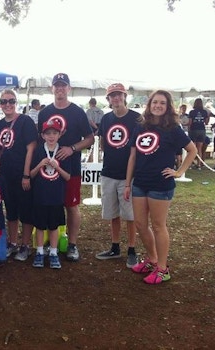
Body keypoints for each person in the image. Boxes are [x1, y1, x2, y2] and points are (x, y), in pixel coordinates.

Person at [124, 90, 197, 284]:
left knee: (158, 226)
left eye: (162, 103)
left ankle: (163, 268)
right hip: (140, 182)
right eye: (155, 102)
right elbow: (133, 156)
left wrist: (179, 171)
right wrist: (127, 183)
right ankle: (152, 260)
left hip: (160, 185)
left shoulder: (173, 128)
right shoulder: (140, 126)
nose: (158, 105)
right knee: (140, 224)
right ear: (149, 105)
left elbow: (192, 150)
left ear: (167, 107)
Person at [37, 73, 94, 262]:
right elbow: (40, 140)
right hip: (47, 170)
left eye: (63, 85)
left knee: (71, 205)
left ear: (69, 88)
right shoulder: (44, 113)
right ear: (52, 88)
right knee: (47, 204)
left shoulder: (77, 112)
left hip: (70, 168)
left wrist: (72, 148)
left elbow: (90, 138)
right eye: (57, 85)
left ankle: (72, 244)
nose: (60, 89)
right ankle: (47, 242)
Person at [95, 83, 141, 268]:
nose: (116, 98)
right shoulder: (106, 119)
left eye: (119, 95)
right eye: (112, 95)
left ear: (124, 96)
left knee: (129, 214)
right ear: (108, 99)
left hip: (128, 175)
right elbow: (103, 143)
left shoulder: (137, 118)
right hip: (109, 172)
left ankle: (131, 249)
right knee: (113, 213)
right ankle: (115, 246)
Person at [0, 89, 37, 261]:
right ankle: (12, 242)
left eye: (11, 101)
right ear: (0, 104)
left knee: (26, 210)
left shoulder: (25, 121)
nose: (8, 105)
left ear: (16, 103)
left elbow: (31, 148)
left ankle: (25, 245)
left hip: (22, 174)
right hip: (5, 175)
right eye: (4, 102)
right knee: (10, 210)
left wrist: (26, 175)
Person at [30, 120, 71, 269]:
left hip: (56, 197)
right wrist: (40, 164)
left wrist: (57, 168)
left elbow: (67, 177)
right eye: (48, 133)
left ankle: (53, 253)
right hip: (40, 196)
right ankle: (40, 252)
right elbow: (31, 174)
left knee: (54, 226)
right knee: (40, 226)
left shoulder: (62, 152)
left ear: (59, 135)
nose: (51, 136)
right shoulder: (39, 151)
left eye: (55, 133)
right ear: (43, 135)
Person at [188, 98, 210, 169]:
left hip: (193, 130)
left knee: (192, 148)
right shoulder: (204, 112)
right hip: (202, 130)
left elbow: (190, 123)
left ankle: (191, 164)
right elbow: (206, 123)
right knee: (199, 148)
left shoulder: (192, 112)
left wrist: (188, 129)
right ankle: (199, 165)